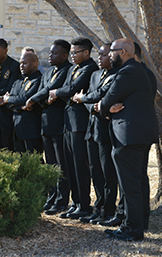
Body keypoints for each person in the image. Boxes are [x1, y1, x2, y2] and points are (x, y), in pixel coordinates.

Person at [100, 38, 158, 241]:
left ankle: (132, 229)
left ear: (123, 52)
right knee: (139, 179)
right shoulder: (144, 72)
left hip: (128, 135)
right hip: (142, 133)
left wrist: (105, 108)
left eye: (112, 51)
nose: (109, 55)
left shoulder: (127, 71)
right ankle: (140, 221)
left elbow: (107, 98)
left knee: (130, 184)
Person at [49, 37, 99, 219]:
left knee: (80, 166)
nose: (72, 56)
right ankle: (76, 202)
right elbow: (67, 89)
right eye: (71, 53)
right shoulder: (73, 68)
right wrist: (65, 93)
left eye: (75, 53)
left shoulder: (90, 68)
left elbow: (73, 88)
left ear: (86, 52)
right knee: (69, 165)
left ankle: (84, 205)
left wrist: (59, 93)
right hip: (68, 121)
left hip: (80, 123)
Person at [24, 39, 72, 215]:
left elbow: (52, 88)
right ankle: (51, 198)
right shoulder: (49, 71)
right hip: (45, 121)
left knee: (61, 165)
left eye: (55, 53)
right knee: (50, 164)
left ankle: (61, 201)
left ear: (65, 55)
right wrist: (42, 98)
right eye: (50, 53)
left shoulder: (67, 70)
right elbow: (44, 90)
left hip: (59, 123)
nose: (50, 56)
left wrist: (33, 99)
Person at [73, 43, 118, 224]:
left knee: (108, 173)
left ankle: (108, 209)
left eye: (104, 55)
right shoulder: (95, 75)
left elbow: (106, 96)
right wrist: (95, 107)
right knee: (95, 172)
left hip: (106, 131)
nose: (100, 58)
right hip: (92, 128)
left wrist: (96, 103)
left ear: (112, 56)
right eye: (99, 55)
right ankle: (98, 208)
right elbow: (87, 97)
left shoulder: (117, 75)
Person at [0, 52, 43, 153]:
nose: (21, 66)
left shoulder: (39, 80)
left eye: (25, 63)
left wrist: (8, 99)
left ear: (34, 63)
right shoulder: (18, 82)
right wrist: (20, 107)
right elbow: (9, 104)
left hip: (32, 130)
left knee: (34, 161)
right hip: (17, 129)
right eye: (20, 63)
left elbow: (25, 98)